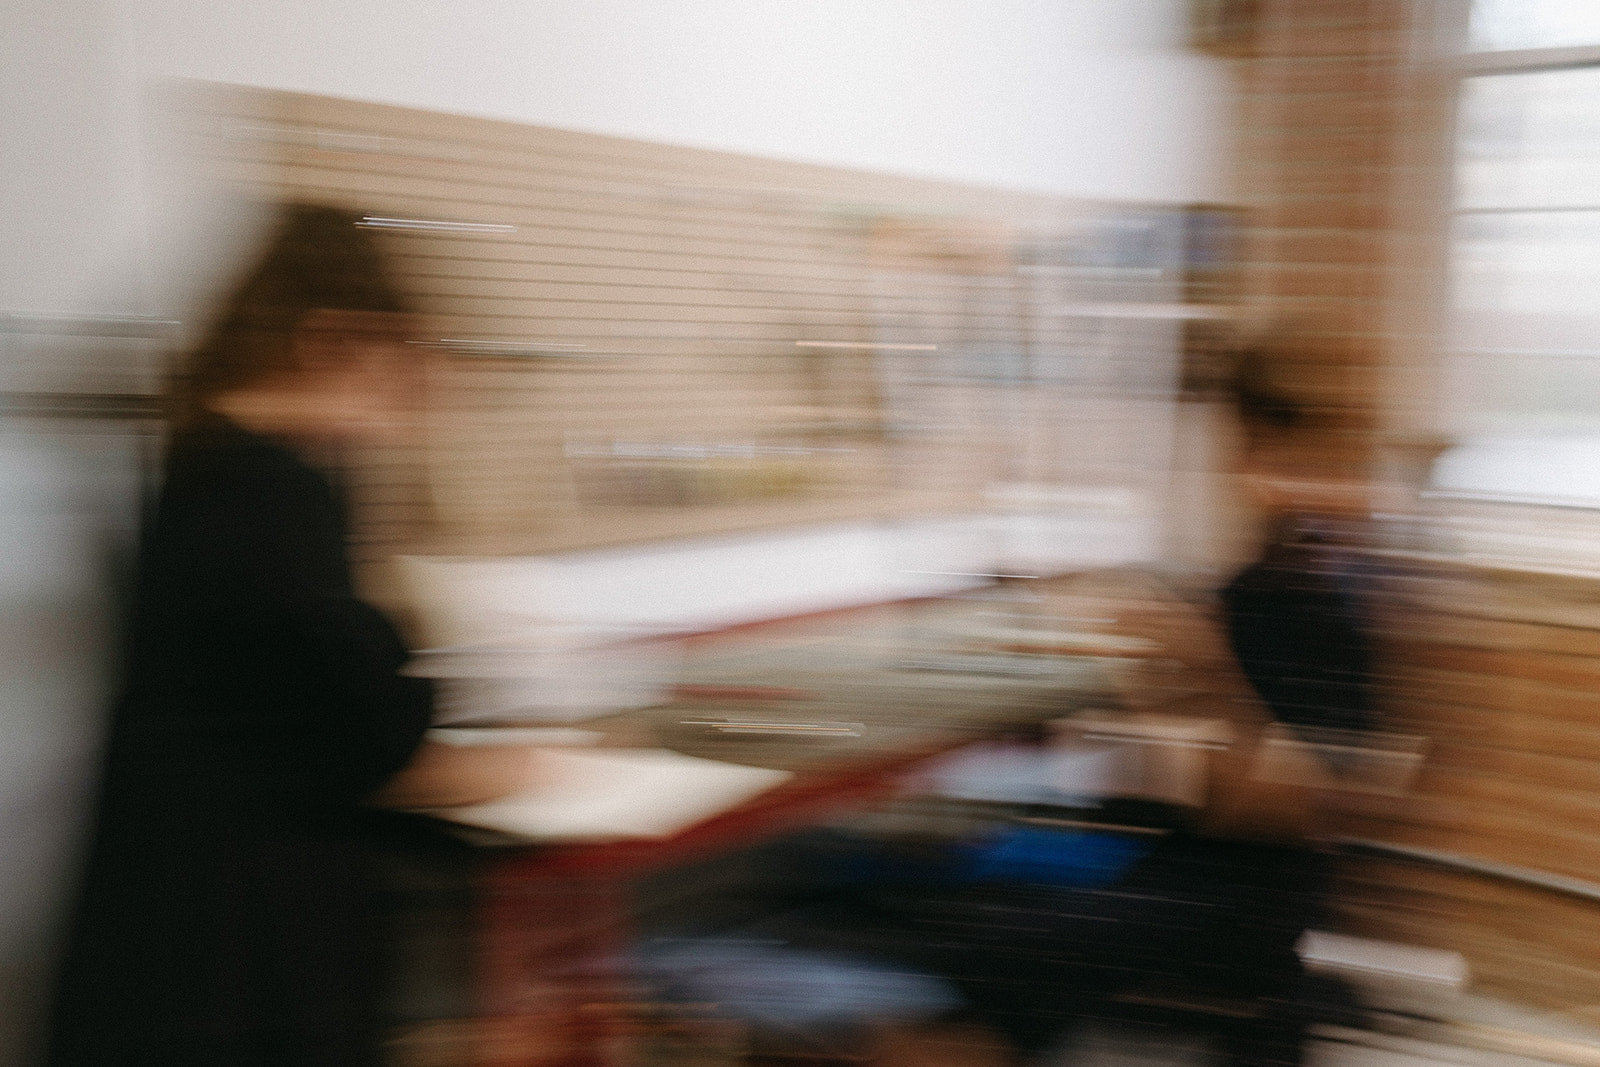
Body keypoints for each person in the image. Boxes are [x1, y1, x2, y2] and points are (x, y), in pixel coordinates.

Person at [46, 202, 438, 1065]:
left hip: (164, 931)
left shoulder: (200, 466)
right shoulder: (273, 491)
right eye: (393, 375)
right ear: (328, 340)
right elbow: (370, 719)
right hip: (235, 953)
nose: (400, 408)